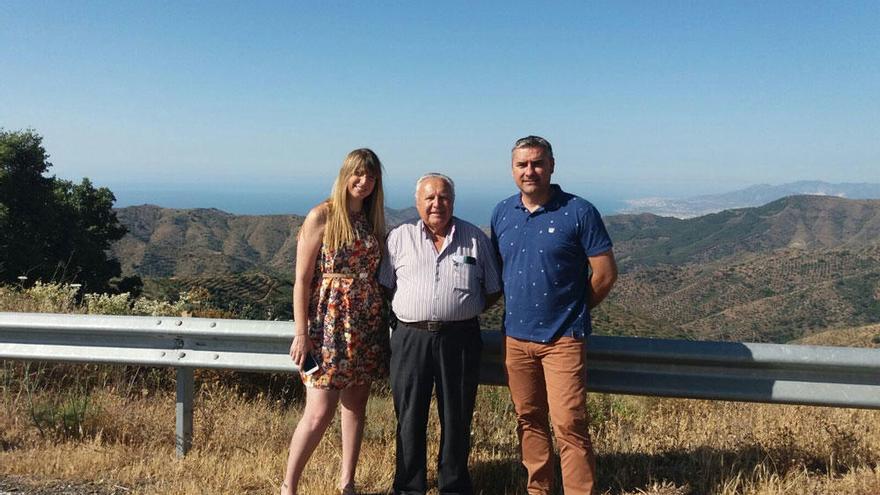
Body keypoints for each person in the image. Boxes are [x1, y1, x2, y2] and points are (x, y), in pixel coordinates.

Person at [491, 136, 617, 495]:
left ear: (551, 166)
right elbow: (501, 272)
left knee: (569, 426)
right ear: (512, 169)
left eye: (537, 163)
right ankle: (538, 490)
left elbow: (605, 274)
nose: (530, 171)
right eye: (522, 165)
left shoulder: (579, 211)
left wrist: (574, 311)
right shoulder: (502, 212)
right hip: (515, 339)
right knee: (529, 421)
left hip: (563, 340)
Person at [379, 173, 502, 495]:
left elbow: (491, 290)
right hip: (410, 338)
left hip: (460, 338)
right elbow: (385, 286)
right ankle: (408, 486)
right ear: (418, 201)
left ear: (453, 201)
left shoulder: (475, 239)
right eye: (430, 198)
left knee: (457, 415)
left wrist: (459, 308)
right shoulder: (399, 237)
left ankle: (454, 486)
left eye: (444, 197)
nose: (437, 204)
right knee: (408, 415)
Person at [281, 148, 389, 495]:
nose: (364, 181)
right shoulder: (322, 216)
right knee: (318, 411)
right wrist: (301, 334)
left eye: (371, 176)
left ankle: (347, 483)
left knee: (356, 405)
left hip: (366, 323)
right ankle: (289, 486)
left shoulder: (371, 222)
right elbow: (301, 279)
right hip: (326, 324)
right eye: (358, 174)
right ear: (345, 175)